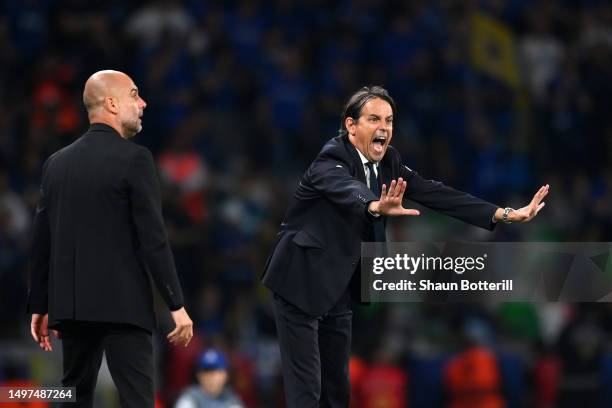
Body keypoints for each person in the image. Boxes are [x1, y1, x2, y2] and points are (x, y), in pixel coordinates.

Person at [262, 85, 549, 407]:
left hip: (340, 283)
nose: (384, 127)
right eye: (374, 119)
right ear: (350, 125)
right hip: (300, 279)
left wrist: (505, 213)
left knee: (337, 390)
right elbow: (344, 187)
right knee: (307, 389)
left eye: (389, 120)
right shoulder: (331, 159)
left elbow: (436, 193)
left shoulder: (390, 163)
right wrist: (373, 206)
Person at [26, 70, 194, 407]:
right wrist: (176, 305)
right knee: (138, 401)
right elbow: (153, 239)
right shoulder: (136, 159)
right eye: (135, 94)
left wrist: (40, 305)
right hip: (124, 307)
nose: (143, 103)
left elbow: (42, 240)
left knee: (72, 395)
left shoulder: (56, 164)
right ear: (113, 103)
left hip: (71, 308)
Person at [174, 348, 244, 408]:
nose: (211, 377)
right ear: (199, 375)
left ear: (225, 375)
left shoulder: (232, 401)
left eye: (215, 371)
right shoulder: (189, 398)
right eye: (206, 371)